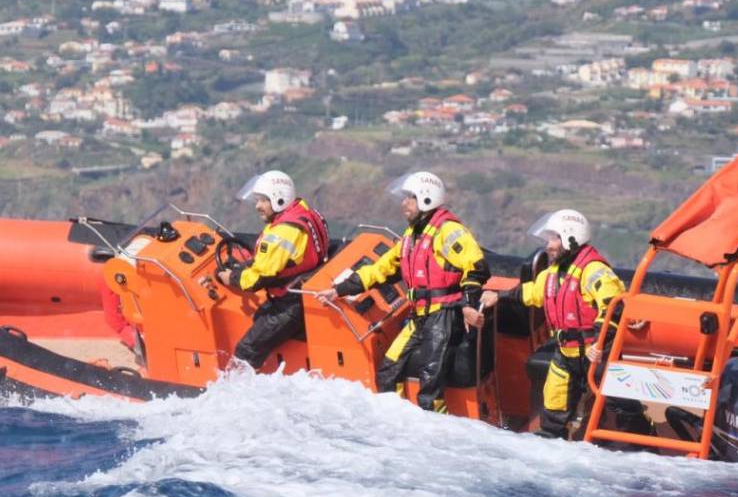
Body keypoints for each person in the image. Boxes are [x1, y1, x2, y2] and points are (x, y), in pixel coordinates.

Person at [317, 171, 490, 413]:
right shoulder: (411, 236)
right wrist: (338, 290)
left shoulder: (447, 231)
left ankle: (441, 437)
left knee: (430, 388)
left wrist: (469, 305)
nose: (404, 203)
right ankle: (398, 424)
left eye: (410, 197)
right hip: (420, 317)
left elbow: (477, 267)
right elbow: (380, 270)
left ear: (426, 199)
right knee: (388, 372)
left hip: (445, 317)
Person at [480, 209, 651, 439]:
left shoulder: (594, 271)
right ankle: (553, 446)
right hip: (565, 353)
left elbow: (614, 307)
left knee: (621, 405)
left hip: (596, 354)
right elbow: (531, 293)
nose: (548, 245)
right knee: (553, 407)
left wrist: (599, 344)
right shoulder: (552, 274)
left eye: (554, 238)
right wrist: (497, 297)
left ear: (572, 238)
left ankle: (641, 445)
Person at [218, 169, 330, 369]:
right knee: (259, 318)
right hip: (302, 293)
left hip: (290, 304)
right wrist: (242, 267)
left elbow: (256, 280)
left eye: (262, 200)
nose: (258, 206)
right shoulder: (304, 213)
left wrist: (230, 277)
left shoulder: (283, 232)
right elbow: (269, 261)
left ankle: (240, 395)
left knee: (246, 350)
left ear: (279, 199)